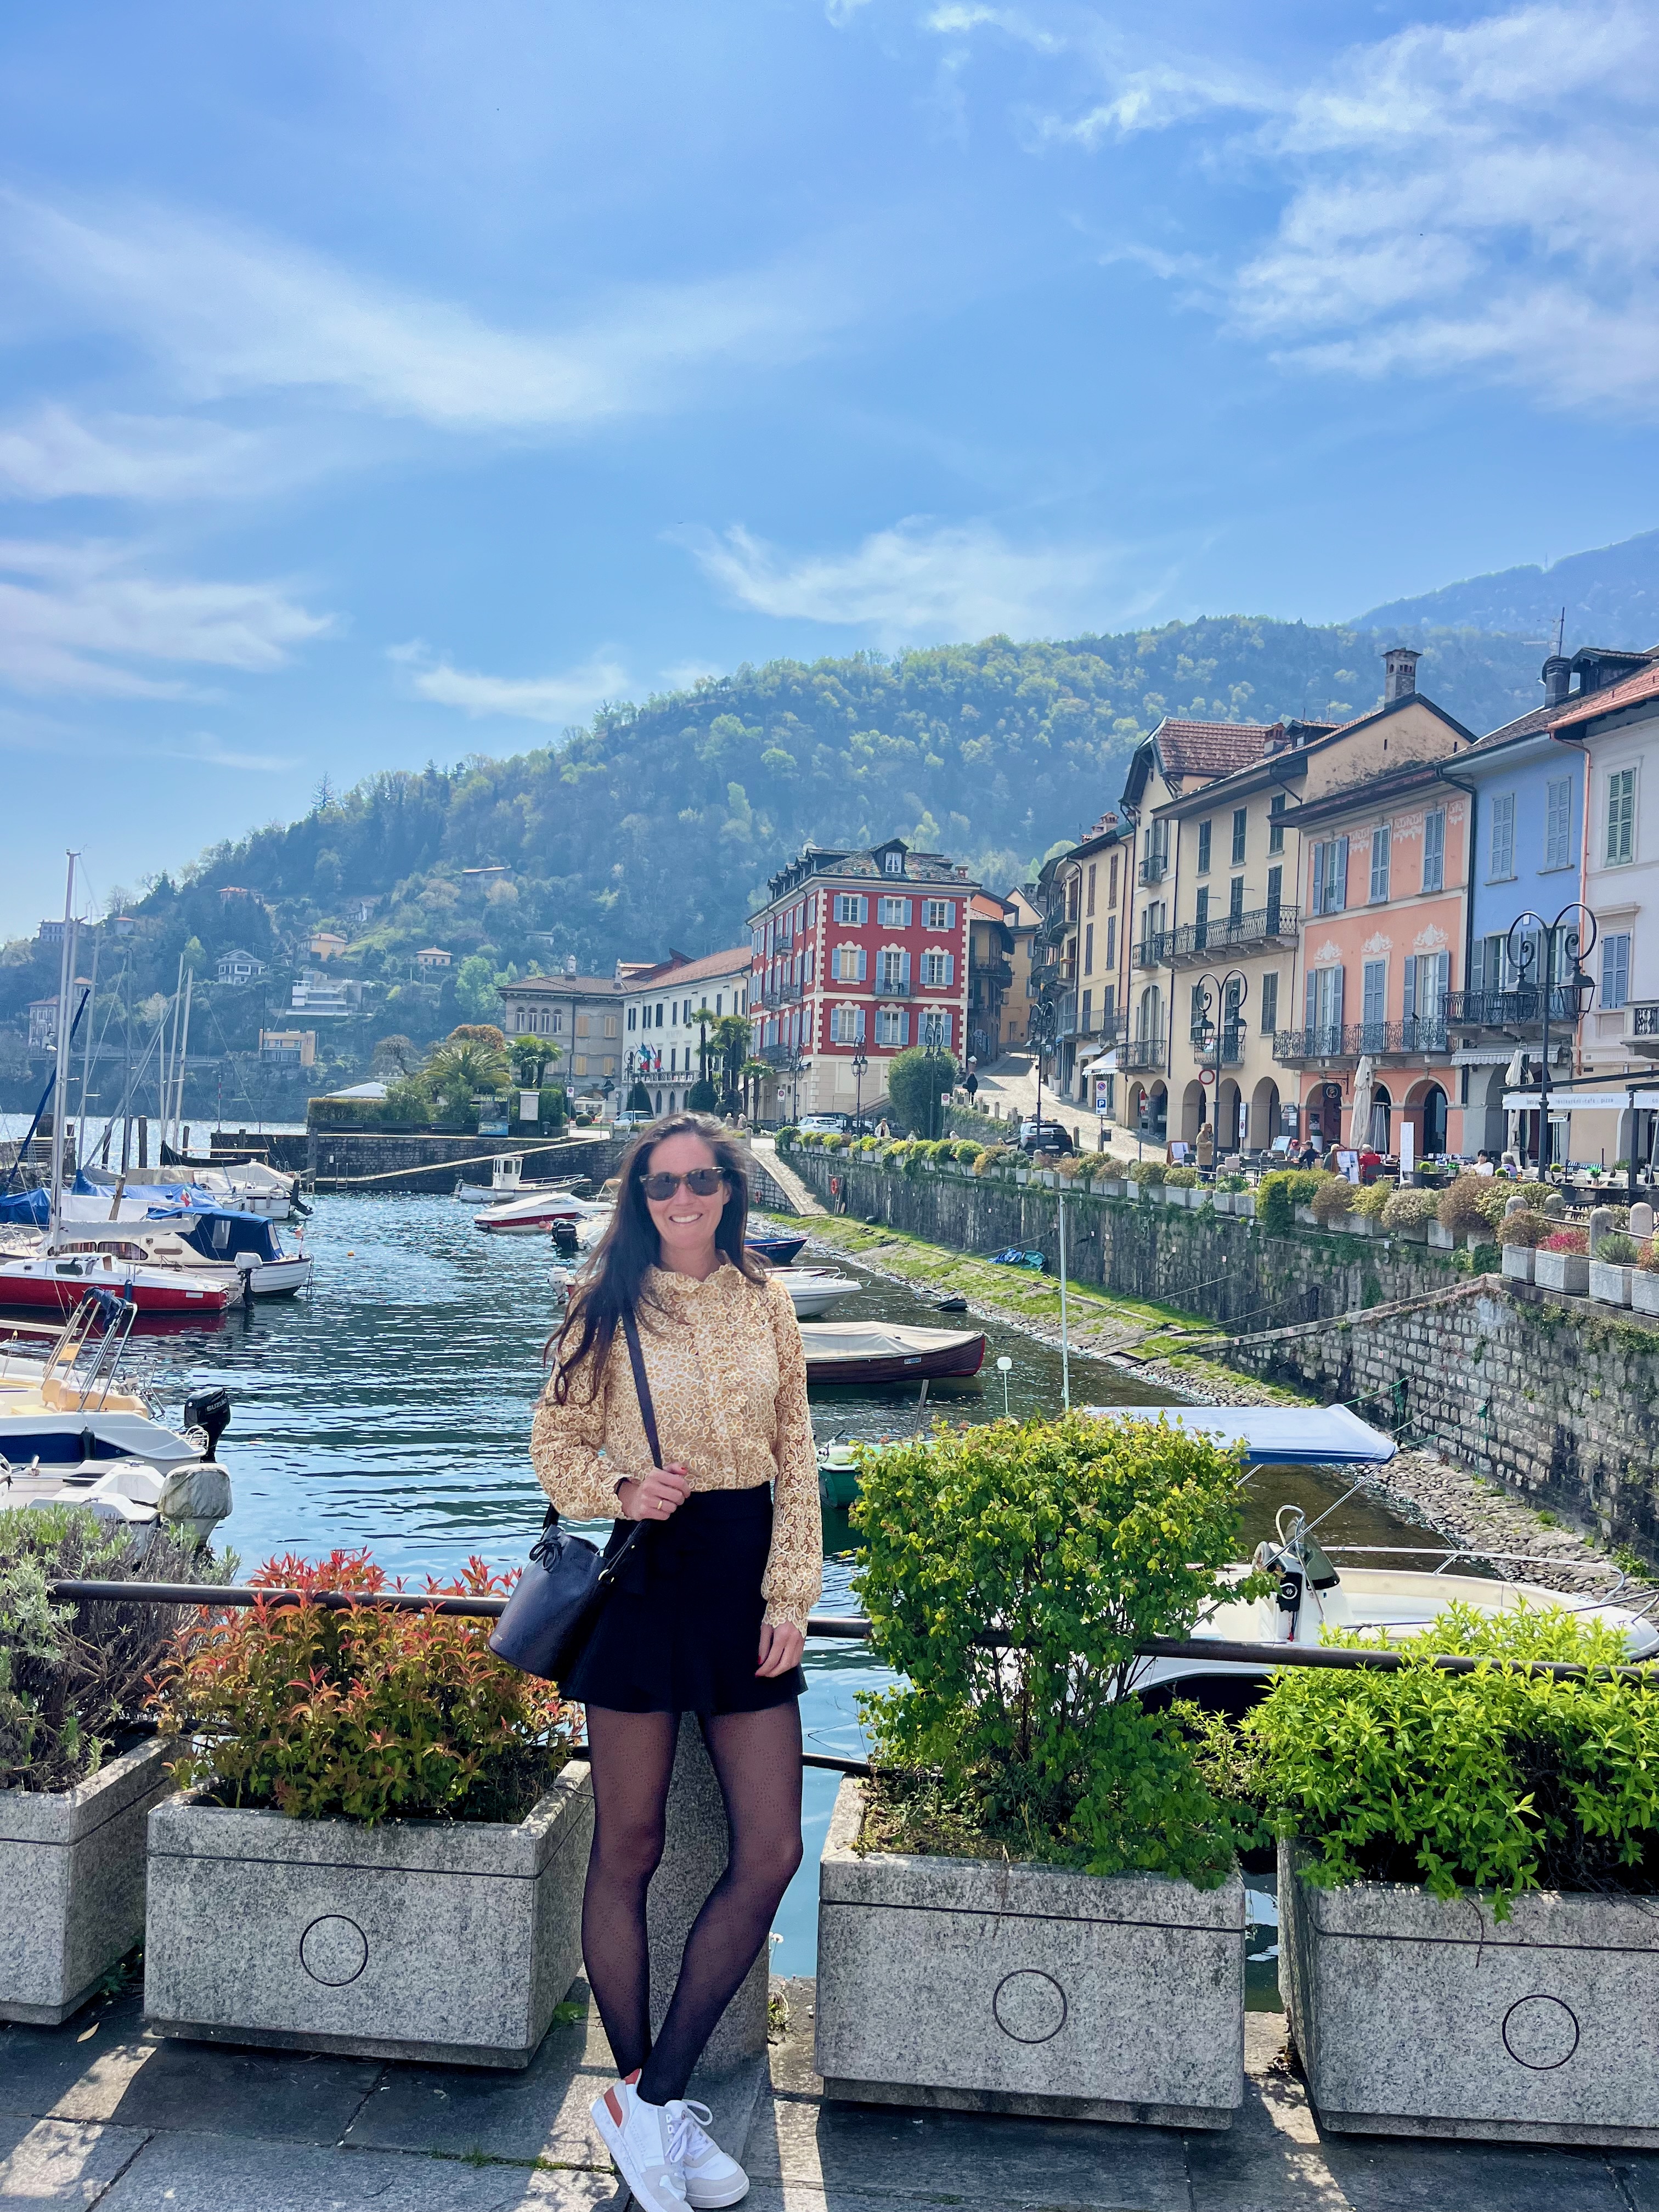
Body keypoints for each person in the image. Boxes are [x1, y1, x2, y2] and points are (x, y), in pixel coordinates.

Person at [531, 1113, 820, 2212]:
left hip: (744, 1581)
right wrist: (618, 1488)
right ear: (639, 1196)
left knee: (773, 1850)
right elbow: (555, 1444)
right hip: (648, 1578)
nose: (683, 1199)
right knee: (631, 1845)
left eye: (701, 1180)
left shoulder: (767, 1298)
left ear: (730, 1189)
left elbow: (798, 1454)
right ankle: (642, 2094)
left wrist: (791, 1596)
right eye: (661, 1184)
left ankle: (652, 2102)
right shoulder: (601, 1301)